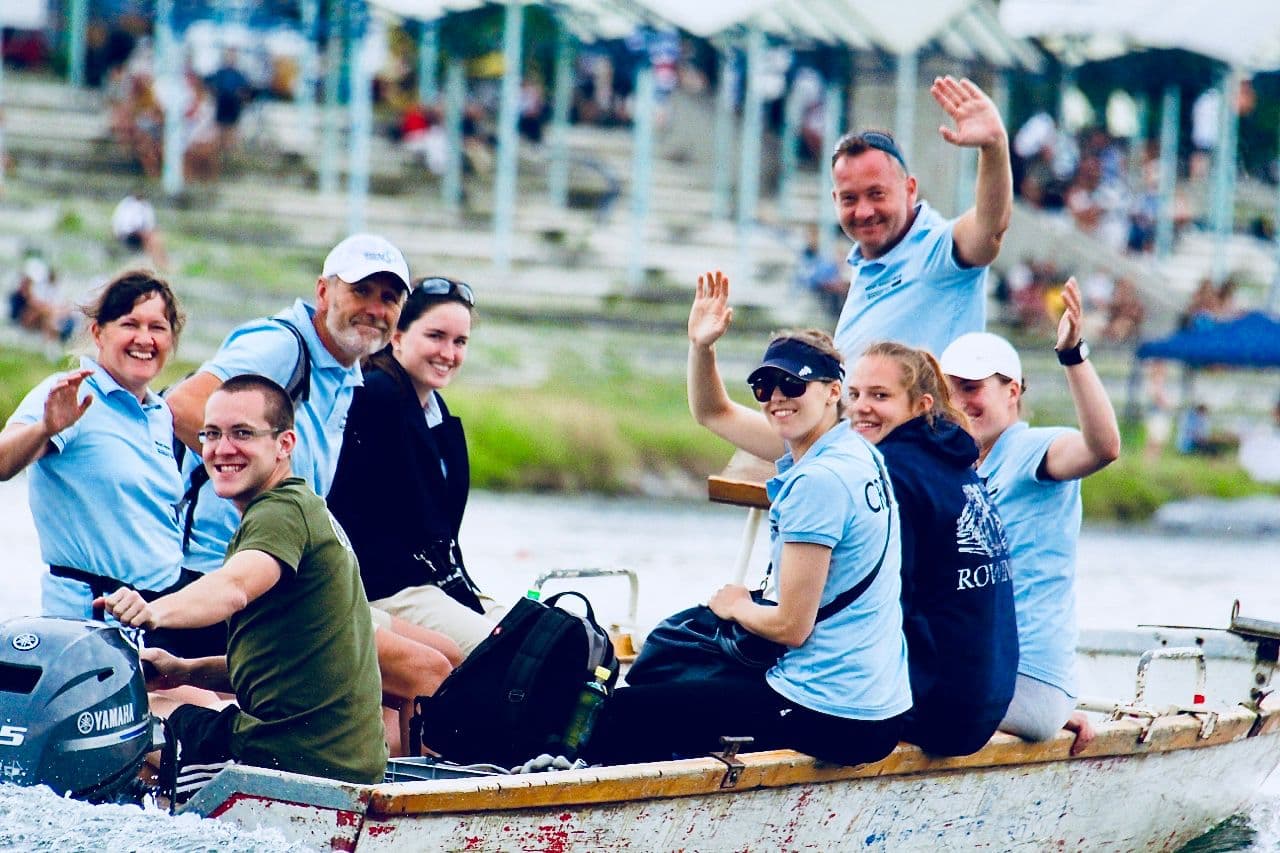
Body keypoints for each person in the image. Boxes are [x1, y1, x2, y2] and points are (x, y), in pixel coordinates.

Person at [585, 270, 911, 767]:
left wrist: (735, 604)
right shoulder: (854, 450)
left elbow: (789, 626)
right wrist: (702, 347)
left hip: (832, 712)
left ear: (832, 391)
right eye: (764, 386)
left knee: (631, 707)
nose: (777, 397)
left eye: (793, 384)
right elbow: (713, 413)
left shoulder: (818, 481)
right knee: (679, 680)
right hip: (876, 702)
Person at [164, 234, 455, 748]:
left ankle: (392, 789)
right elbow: (186, 405)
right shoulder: (282, 345)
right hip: (238, 572)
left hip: (298, 576)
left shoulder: (348, 369)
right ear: (324, 292)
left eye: (389, 298)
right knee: (426, 671)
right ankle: (406, 807)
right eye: (361, 291)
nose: (375, 309)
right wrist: (261, 497)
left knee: (444, 657)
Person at [97, 375, 387, 790]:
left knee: (118, 720)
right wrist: (185, 670)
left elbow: (233, 587)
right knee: (170, 697)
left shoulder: (279, 514)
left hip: (291, 759)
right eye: (211, 434)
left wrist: (152, 611)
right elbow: (280, 671)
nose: (222, 449)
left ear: (284, 445)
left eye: (242, 434)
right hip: (338, 757)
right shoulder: (300, 506)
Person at [941, 276, 1120, 751]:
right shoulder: (953, 469)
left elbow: (1103, 448)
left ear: (1012, 391)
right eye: (949, 390)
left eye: (972, 388)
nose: (959, 403)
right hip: (990, 674)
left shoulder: (1031, 449)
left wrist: (1073, 355)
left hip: (1024, 676)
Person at [848, 341, 1018, 757]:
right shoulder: (954, 462)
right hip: (986, 706)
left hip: (936, 714)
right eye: (854, 395)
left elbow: (880, 604)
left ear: (921, 404)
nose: (861, 408)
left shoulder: (892, 471)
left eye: (880, 396)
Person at [329, 276, 503, 658]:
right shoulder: (375, 396)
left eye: (460, 342)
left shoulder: (435, 412)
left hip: (428, 585)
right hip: (383, 589)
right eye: (436, 336)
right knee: (507, 654)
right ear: (398, 336)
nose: (448, 353)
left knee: (549, 638)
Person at [0, 270, 186, 619]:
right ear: (98, 332)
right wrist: (44, 428)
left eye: (157, 327)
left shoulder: (159, 413)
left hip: (154, 619)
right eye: (130, 324)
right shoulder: (74, 391)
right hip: (90, 621)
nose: (144, 339)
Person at [830, 76, 1012, 362]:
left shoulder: (935, 251)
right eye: (849, 199)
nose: (864, 212)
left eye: (876, 194)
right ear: (835, 201)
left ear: (909, 190)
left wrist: (994, 148)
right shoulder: (865, 264)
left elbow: (989, 228)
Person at [111, 191, 169, 271]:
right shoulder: (126, 205)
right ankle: (159, 263)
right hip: (128, 234)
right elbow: (123, 225)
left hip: (143, 234)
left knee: (156, 238)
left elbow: (150, 224)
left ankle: (161, 262)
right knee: (151, 238)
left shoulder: (146, 206)